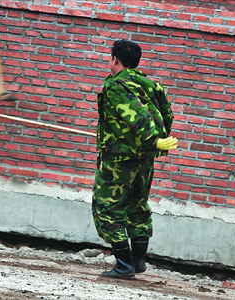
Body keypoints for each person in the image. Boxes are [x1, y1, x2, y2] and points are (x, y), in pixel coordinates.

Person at [92, 39, 177, 278]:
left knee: (107, 209)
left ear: (115, 60)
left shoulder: (117, 84)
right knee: (137, 207)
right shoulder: (151, 84)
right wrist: (158, 142)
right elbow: (167, 114)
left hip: (120, 161)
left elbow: (134, 113)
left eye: (110, 58)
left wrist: (151, 139)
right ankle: (138, 262)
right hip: (145, 160)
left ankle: (123, 265)